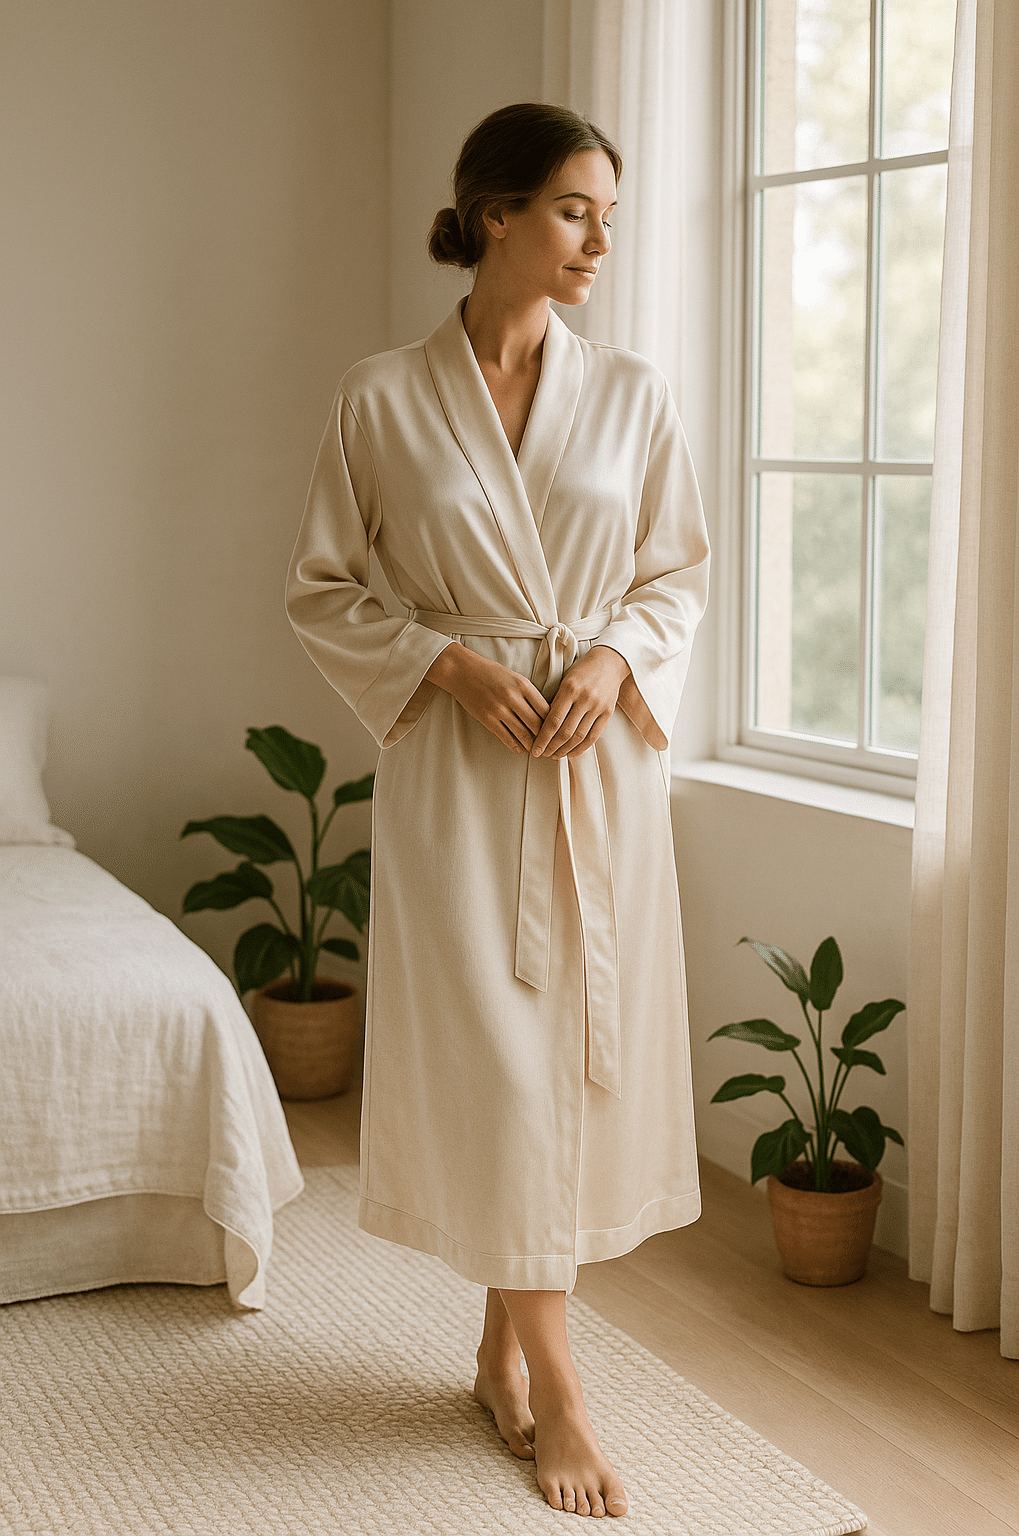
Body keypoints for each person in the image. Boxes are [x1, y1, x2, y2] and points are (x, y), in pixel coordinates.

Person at [286, 101, 710, 1519]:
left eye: (607, 216)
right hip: (461, 774)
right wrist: (447, 664)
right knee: (500, 1071)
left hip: (594, 767)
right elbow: (327, 586)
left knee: (564, 1075)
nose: (597, 240)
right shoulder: (381, 397)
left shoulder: (636, 393)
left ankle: (497, 1350)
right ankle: (570, 1397)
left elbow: (677, 577)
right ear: (491, 214)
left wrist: (608, 655)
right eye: (575, 209)